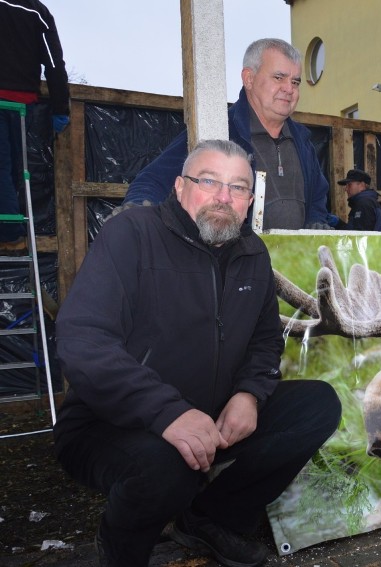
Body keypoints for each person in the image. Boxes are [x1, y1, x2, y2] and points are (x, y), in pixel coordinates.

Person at [53, 140, 342, 567]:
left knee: (318, 405)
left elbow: (265, 342)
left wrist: (248, 394)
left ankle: (211, 520)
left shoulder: (253, 255)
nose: (223, 197)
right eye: (209, 181)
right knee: (167, 469)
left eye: (238, 187)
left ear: (249, 200)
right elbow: (83, 340)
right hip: (110, 422)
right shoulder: (132, 234)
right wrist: (168, 413)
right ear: (180, 186)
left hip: (213, 417)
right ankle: (120, 549)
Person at [123, 38, 331, 230]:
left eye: (295, 82)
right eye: (279, 77)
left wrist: (315, 222)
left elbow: (318, 196)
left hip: (294, 264)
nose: (289, 89)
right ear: (249, 79)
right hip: (238, 264)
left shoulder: (302, 141)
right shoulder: (221, 130)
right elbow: (155, 178)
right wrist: (137, 210)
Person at [0, 0, 70, 251]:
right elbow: (53, 63)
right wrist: (60, 107)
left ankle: (7, 229)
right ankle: (10, 228)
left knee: (4, 166)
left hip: (13, 101)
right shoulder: (37, 11)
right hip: (22, 102)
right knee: (15, 169)